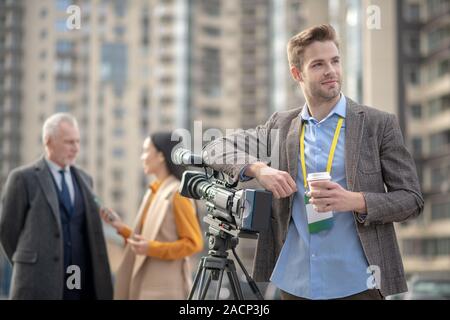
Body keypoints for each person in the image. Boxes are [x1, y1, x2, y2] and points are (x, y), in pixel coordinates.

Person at [202, 24, 424, 300]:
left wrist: (355, 200)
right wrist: (260, 169)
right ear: (298, 74)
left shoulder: (379, 124)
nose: (331, 70)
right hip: (296, 284)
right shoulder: (280, 126)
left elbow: (412, 200)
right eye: (318, 64)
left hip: (359, 282)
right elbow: (215, 147)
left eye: (335, 61)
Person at [0, 113, 113, 300]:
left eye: (77, 142)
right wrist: (29, 263)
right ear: (48, 141)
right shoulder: (23, 178)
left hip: (76, 280)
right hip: (37, 282)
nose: (76, 148)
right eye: (69, 142)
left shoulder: (86, 180)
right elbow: (8, 232)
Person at [100, 132, 203, 300]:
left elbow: (194, 243)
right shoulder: (154, 189)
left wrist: (151, 248)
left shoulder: (177, 193)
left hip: (166, 290)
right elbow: (149, 239)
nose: (142, 157)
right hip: (145, 286)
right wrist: (122, 229)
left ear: (161, 156)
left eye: (146, 151)